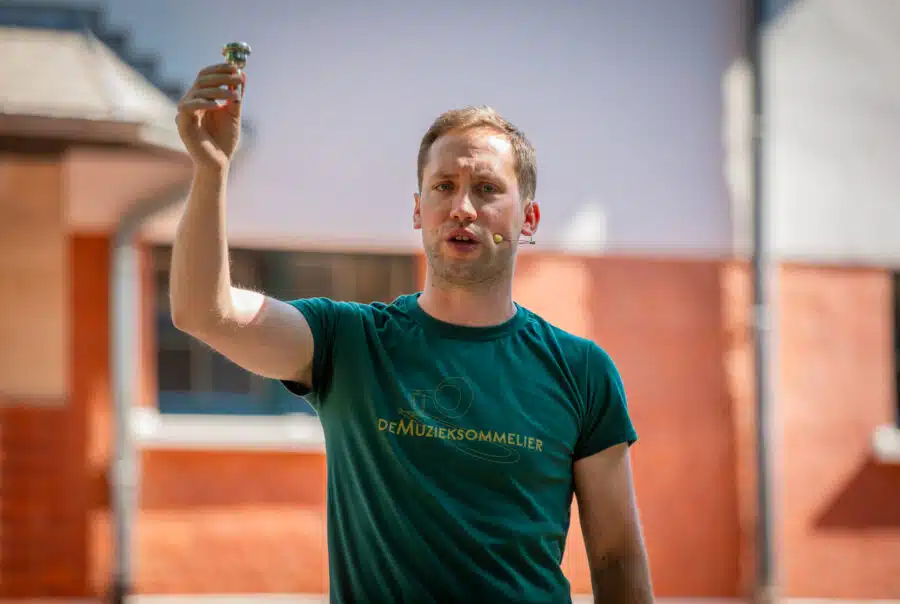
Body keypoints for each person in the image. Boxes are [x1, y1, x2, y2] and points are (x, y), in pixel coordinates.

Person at [172, 61, 654, 604]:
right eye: (444, 187)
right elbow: (203, 311)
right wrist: (210, 169)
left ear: (529, 219)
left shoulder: (581, 371)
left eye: (487, 189)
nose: (462, 208)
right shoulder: (349, 343)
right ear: (418, 211)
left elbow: (617, 557)